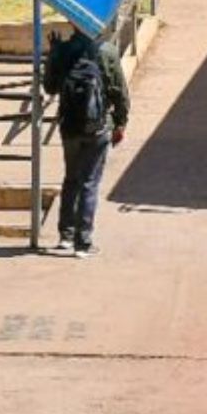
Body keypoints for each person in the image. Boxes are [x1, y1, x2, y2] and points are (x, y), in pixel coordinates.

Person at [41, 26, 129, 257]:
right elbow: (120, 91)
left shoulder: (62, 50)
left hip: (69, 125)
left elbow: (49, 87)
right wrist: (120, 122)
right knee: (90, 182)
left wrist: (54, 53)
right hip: (98, 127)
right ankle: (84, 241)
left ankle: (65, 237)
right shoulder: (106, 51)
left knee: (71, 179)